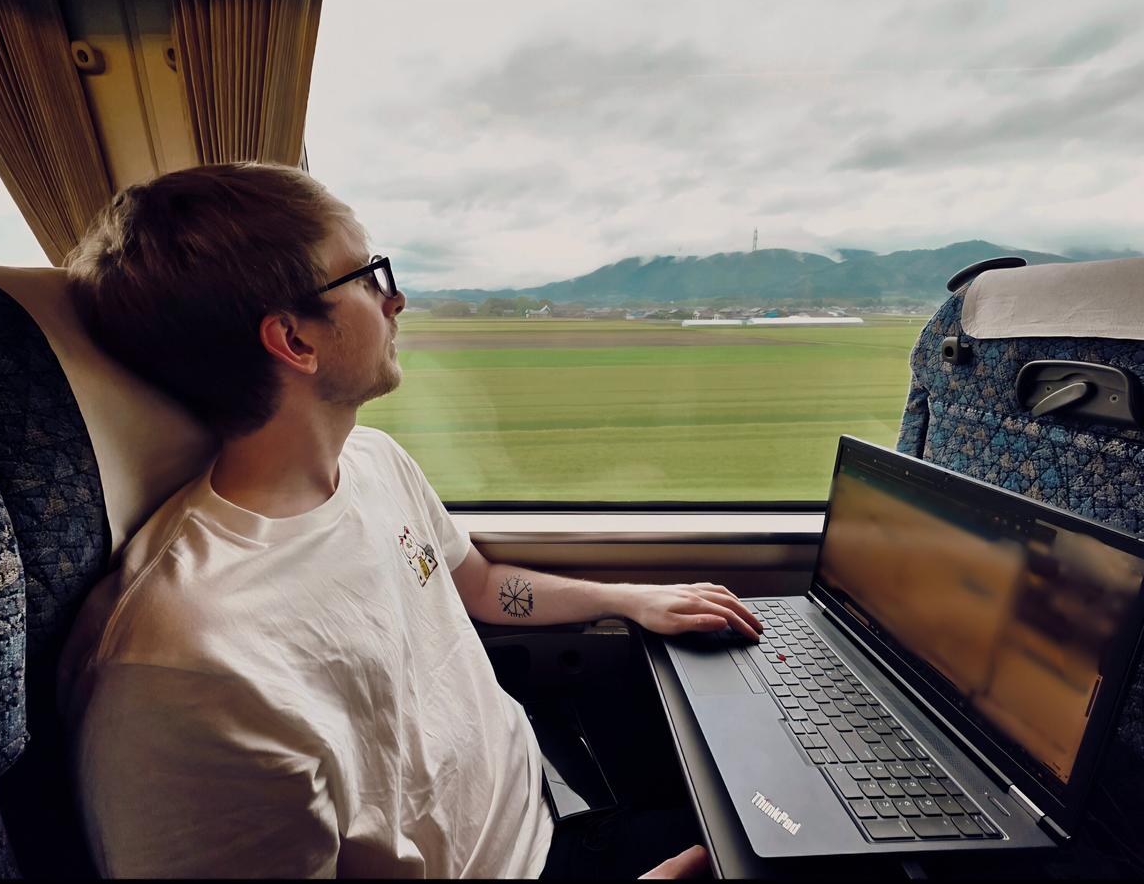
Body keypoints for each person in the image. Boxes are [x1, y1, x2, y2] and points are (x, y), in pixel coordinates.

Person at [60, 162, 763, 879]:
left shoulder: (375, 462)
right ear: (294, 341)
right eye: (368, 276)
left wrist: (627, 600)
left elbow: (480, 586)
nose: (396, 300)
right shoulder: (185, 670)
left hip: (557, 786)